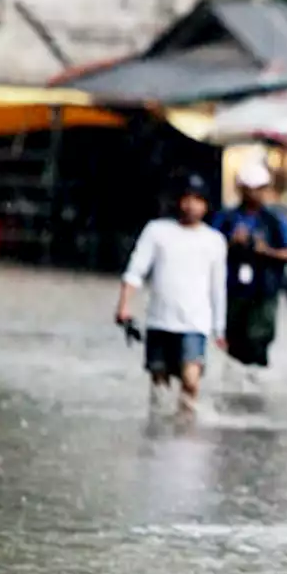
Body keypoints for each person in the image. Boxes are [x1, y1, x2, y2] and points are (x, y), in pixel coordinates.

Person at [115, 173, 227, 413]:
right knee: (159, 385)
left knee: (191, 381)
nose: (190, 205)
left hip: (194, 323)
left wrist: (220, 328)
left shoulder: (214, 240)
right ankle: (160, 435)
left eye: (197, 199)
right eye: (186, 198)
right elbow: (135, 271)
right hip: (159, 321)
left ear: (206, 205)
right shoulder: (157, 231)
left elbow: (218, 287)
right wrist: (124, 305)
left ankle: (187, 428)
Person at [212, 161, 287, 371]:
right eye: (248, 189)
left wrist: (267, 251)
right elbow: (207, 248)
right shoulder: (226, 218)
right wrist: (231, 244)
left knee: (258, 341)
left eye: (257, 189)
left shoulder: (274, 220)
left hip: (264, 292)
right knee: (234, 343)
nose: (253, 194)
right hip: (233, 291)